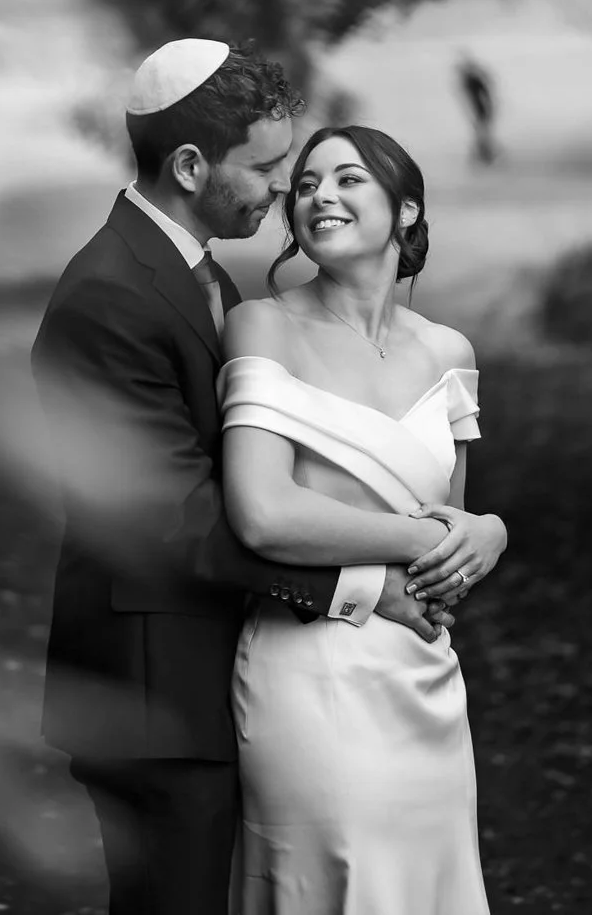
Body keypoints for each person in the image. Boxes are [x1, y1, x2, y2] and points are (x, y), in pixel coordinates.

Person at [31, 42, 454, 915]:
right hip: (150, 697)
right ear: (191, 167)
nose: (283, 189)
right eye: (264, 169)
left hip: (221, 679)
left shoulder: (202, 276)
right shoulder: (107, 297)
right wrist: (359, 586)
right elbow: (170, 518)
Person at [222, 123, 508, 914]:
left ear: (405, 210)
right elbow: (262, 514)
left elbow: (447, 534)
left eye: (348, 179)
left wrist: (488, 531)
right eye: (307, 184)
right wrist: (428, 539)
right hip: (309, 669)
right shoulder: (262, 326)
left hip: (422, 672)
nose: (320, 195)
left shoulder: (449, 352)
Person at [456, 53, 498, 165]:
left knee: (481, 133)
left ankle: (484, 156)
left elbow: (481, 95)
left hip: (479, 110)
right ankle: (483, 156)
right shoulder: (472, 80)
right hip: (478, 110)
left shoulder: (472, 80)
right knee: (481, 133)